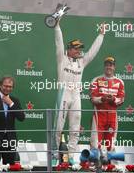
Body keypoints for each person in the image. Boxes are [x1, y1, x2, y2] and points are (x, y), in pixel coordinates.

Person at [52, 20, 106, 165]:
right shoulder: (61, 59)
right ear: (69, 49)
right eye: (76, 48)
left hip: (76, 95)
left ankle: (70, 156)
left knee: (75, 127)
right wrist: (57, 26)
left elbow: (93, 52)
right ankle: (54, 155)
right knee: (58, 126)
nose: (79, 51)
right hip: (63, 93)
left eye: (80, 48)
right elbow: (59, 43)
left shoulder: (81, 62)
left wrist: (101, 35)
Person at [90, 56, 125, 151]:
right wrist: (103, 98)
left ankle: (110, 166)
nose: (109, 67)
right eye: (107, 65)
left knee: (111, 144)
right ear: (104, 67)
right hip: (99, 115)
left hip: (112, 116)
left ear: (114, 67)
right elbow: (93, 99)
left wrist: (113, 99)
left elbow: (121, 100)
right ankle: (95, 164)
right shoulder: (96, 80)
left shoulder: (120, 82)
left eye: (111, 65)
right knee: (95, 143)